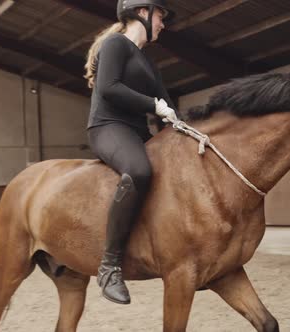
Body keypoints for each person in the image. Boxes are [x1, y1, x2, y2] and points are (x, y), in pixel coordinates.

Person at [84, 0, 179, 305]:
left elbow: (168, 104)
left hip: (137, 131)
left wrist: (183, 128)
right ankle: (110, 267)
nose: (163, 24)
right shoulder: (116, 44)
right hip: (108, 126)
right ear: (143, 12)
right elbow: (109, 87)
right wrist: (153, 106)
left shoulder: (149, 62)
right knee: (139, 170)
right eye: (161, 17)